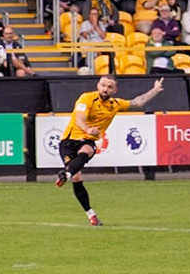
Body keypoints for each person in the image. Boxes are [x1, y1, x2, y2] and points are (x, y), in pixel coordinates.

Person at [55, 76, 164, 226]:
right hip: (69, 141)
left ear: (115, 90)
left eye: (109, 87)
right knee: (77, 178)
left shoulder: (115, 104)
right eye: (103, 85)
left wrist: (155, 90)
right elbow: (79, 118)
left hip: (88, 141)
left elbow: (138, 102)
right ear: (98, 85)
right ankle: (90, 213)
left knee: (87, 151)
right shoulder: (87, 98)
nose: (105, 89)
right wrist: (88, 129)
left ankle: (66, 174)